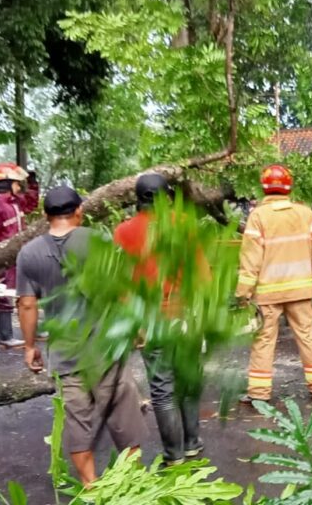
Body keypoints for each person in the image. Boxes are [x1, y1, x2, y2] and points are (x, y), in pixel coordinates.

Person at [17, 186, 147, 485]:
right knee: (123, 421)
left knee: (78, 426)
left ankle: (90, 487)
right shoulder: (98, 241)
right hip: (106, 351)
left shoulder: (29, 253)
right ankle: (134, 485)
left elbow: (26, 303)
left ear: (45, 215)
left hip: (65, 355)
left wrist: (28, 346)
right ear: (79, 211)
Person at [114, 174, 204, 465]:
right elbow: (201, 275)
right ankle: (192, 445)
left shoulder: (124, 231)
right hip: (185, 315)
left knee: (163, 389)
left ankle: (174, 456)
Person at [236, 164, 312, 403]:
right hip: (300, 290)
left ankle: (259, 394)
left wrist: (243, 292)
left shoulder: (258, 216)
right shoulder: (305, 214)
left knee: (264, 340)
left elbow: (250, 258)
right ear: (289, 186)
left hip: (267, 293)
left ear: (264, 187)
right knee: (307, 336)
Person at [0, 164, 27, 348]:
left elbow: (31, 202)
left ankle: (31, 330)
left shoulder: (14, 203)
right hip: (3, 259)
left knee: (24, 291)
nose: (18, 186)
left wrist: (33, 182)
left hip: (17, 257)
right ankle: (6, 336)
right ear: (6, 184)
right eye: (15, 183)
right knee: (3, 295)